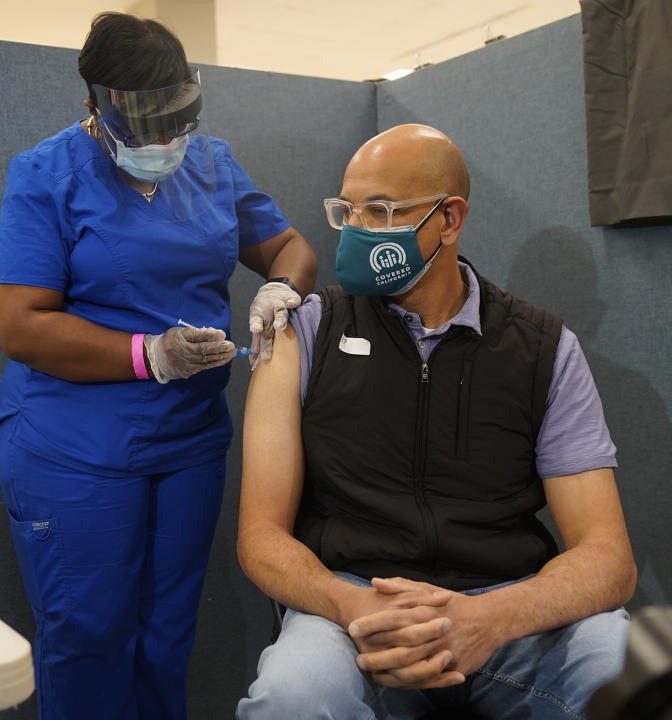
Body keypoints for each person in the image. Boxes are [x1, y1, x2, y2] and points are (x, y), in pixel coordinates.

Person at [235, 124, 636, 719]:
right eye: (348, 211)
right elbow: (260, 536)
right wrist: (350, 606)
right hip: (355, 605)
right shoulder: (305, 333)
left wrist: (486, 619)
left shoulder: (543, 349)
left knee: (633, 674)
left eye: (381, 211)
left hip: (509, 610)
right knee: (291, 697)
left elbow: (607, 557)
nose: (356, 231)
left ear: (449, 220)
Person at [0, 11, 317, 719]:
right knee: (88, 635)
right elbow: (21, 326)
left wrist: (283, 289)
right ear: (94, 107)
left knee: (167, 637)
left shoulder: (213, 163)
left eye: (177, 121)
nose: (166, 142)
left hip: (189, 442)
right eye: (145, 126)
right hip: (73, 445)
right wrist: (150, 356)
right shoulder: (45, 175)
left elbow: (290, 247)